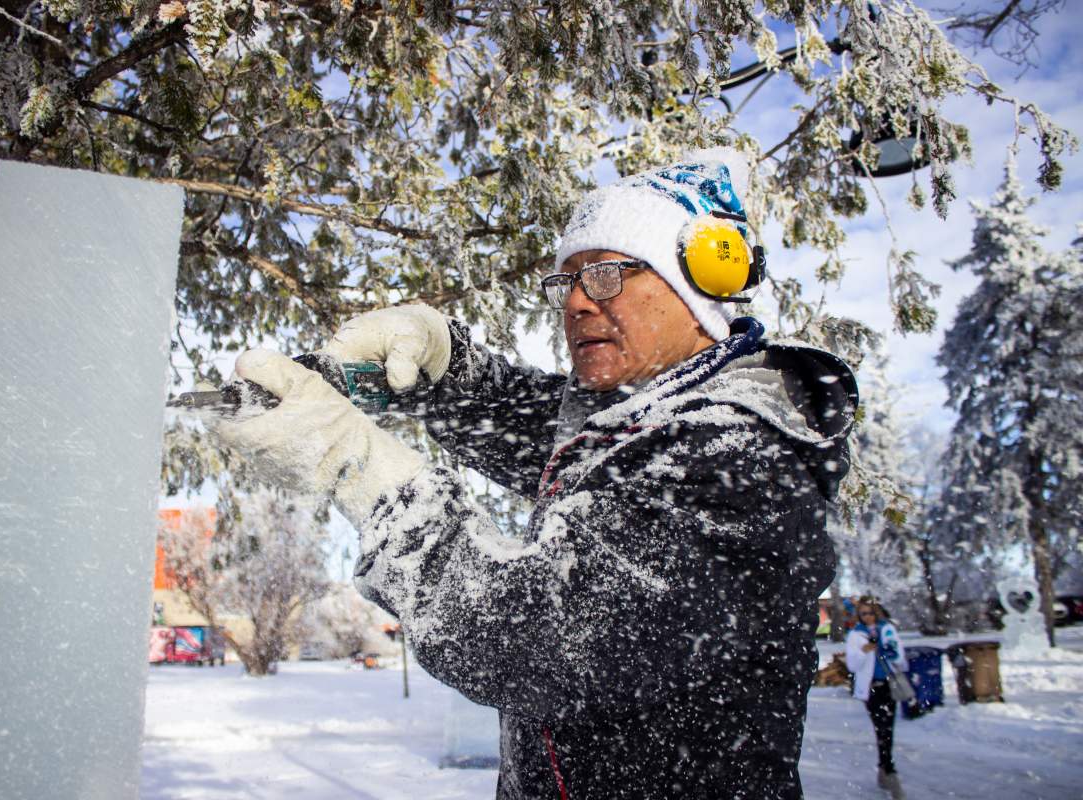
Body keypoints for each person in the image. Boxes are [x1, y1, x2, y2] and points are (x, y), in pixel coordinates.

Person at [215, 151, 859, 799]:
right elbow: (517, 417)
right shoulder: (629, 418)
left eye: (607, 275)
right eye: (567, 281)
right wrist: (442, 360)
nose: (576, 302)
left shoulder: (738, 454)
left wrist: (360, 469)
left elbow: (537, 639)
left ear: (705, 277)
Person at [845, 597, 907, 800]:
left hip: (888, 685)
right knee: (881, 727)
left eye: (870, 613)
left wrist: (887, 650)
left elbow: (900, 657)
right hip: (871, 688)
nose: (868, 617)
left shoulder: (887, 629)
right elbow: (852, 665)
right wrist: (864, 652)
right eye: (863, 614)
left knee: (888, 727)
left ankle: (885, 767)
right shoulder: (856, 635)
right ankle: (888, 769)